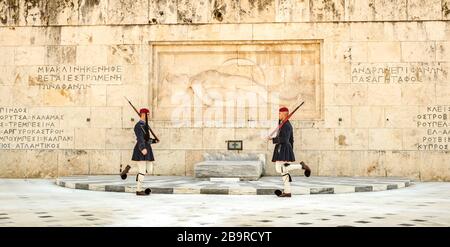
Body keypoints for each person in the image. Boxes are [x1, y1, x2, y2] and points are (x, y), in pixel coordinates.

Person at [269, 106, 311, 197]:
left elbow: (284, 139)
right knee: (284, 171)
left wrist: (272, 139)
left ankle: (301, 166)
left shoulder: (287, 125)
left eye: (279, 114)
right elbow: (291, 139)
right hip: (283, 148)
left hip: (283, 148)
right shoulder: (283, 124)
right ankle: (287, 192)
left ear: (284, 114)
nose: (278, 115)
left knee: (279, 168)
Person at [121, 108, 157, 196]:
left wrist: (154, 141)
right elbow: (140, 138)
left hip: (147, 149)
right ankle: (139, 190)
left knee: (150, 169)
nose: (149, 116)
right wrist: (142, 148)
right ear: (143, 115)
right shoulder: (138, 126)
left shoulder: (145, 125)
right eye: (148, 114)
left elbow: (146, 139)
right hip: (141, 149)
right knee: (142, 171)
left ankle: (127, 170)